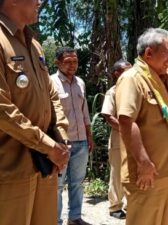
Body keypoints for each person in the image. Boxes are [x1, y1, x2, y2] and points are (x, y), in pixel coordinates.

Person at [0, 0, 70, 224]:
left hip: (45, 165)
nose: (40, 1)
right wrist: (48, 146)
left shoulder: (35, 45)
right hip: (11, 171)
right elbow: (2, 110)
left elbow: (51, 95)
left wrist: (60, 137)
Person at [116, 28, 168, 225]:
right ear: (149, 53)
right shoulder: (133, 79)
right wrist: (143, 163)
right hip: (147, 177)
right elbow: (127, 121)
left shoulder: (161, 81)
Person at [51, 47, 94, 225]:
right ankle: (56, 221)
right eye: (67, 61)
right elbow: (49, 114)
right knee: (58, 185)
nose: (72, 65)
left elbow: (85, 112)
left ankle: (74, 218)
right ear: (57, 63)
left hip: (81, 140)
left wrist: (89, 136)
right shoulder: (50, 82)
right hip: (61, 142)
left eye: (75, 61)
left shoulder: (80, 83)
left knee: (77, 181)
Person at [101, 59, 132, 219]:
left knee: (131, 172)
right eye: (126, 70)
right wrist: (126, 128)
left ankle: (130, 205)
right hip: (118, 140)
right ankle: (115, 207)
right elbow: (108, 115)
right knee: (117, 174)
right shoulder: (112, 92)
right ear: (117, 73)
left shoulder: (134, 90)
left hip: (134, 140)